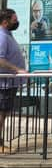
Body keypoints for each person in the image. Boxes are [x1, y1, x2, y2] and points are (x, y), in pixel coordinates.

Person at [0, 9, 27, 154]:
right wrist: (17, 69)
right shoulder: (2, 37)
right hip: (4, 83)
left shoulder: (7, 35)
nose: (16, 22)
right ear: (5, 22)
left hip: (9, 83)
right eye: (14, 20)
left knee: (3, 112)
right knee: (1, 112)